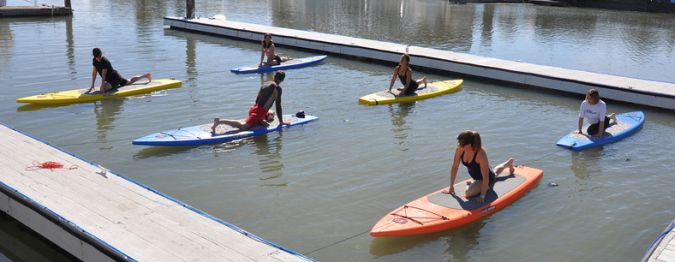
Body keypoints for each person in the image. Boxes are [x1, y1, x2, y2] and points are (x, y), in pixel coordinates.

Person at [442, 130, 515, 203]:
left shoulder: (480, 154)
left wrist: (482, 196)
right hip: (477, 176)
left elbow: (486, 177)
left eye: (460, 143)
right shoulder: (460, 149)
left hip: (486, 178)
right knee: (495, 173)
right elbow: (454, 167)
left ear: (469, 145)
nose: (458, 144)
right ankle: (508, 163)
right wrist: (451, 187)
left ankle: (486, 185)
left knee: (468, 193)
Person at [211, 71, 290, 133]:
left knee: (272, 112)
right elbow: (278, 105)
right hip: (258, 113)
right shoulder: (277, 88)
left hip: (254, 108)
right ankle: (219, 121)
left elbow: (257, 99)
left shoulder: (265, 84)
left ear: (274, 76)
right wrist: (281, 121)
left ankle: (260, 120)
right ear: (282, 80)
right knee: (243, 126)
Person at [87, 48, 151, 94]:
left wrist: (102, 87)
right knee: (129, 82)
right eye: (97, 57)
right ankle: (145, 75)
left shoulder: (104, 61)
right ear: (94, 56)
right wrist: (92, 85)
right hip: (113, 77)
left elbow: (103, 76)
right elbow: (94, 73)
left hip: (114, 78)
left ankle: (144, 76)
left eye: (99, 56)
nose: (98, 58)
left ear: (101, 54)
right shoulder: (94, 60)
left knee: (102, 90)